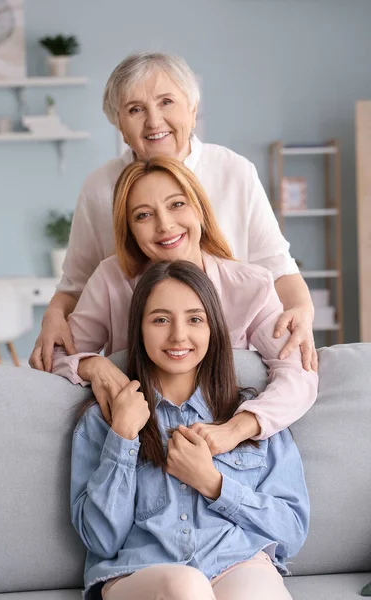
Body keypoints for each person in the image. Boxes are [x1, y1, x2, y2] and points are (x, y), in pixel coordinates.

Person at [30, 51, 316, 374]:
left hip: (227, 365)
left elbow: (277, 267)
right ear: (120, 127)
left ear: (192, 110)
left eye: (167, 102)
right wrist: (54, 315)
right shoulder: (99, 189)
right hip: (137, 372)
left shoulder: (235, 172)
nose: (154, 121)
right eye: (135, 109)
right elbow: (75, 285)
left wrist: (303, 309)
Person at [71, 260, 310, 600]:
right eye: (160, 319)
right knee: (186, 586)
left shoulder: (252, 417)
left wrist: (214, 485)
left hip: (237, 562)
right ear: (138, 328)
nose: (178, 335)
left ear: (213, 328)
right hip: (139, 573)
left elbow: (292, 532)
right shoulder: (102, 419)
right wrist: (123, 436)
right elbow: (101, 540)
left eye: (195, 319)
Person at [53, 157, 317, 453]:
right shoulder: (110, 280)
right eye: (143, 215)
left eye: (177, 204)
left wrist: (236, 429)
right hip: (138, 447)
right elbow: (56, 355)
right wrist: (93, 365)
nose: (165, 225)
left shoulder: (251, 286)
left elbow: (298, 374)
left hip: (224, 450)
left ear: (200, 210)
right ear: (129, 229)